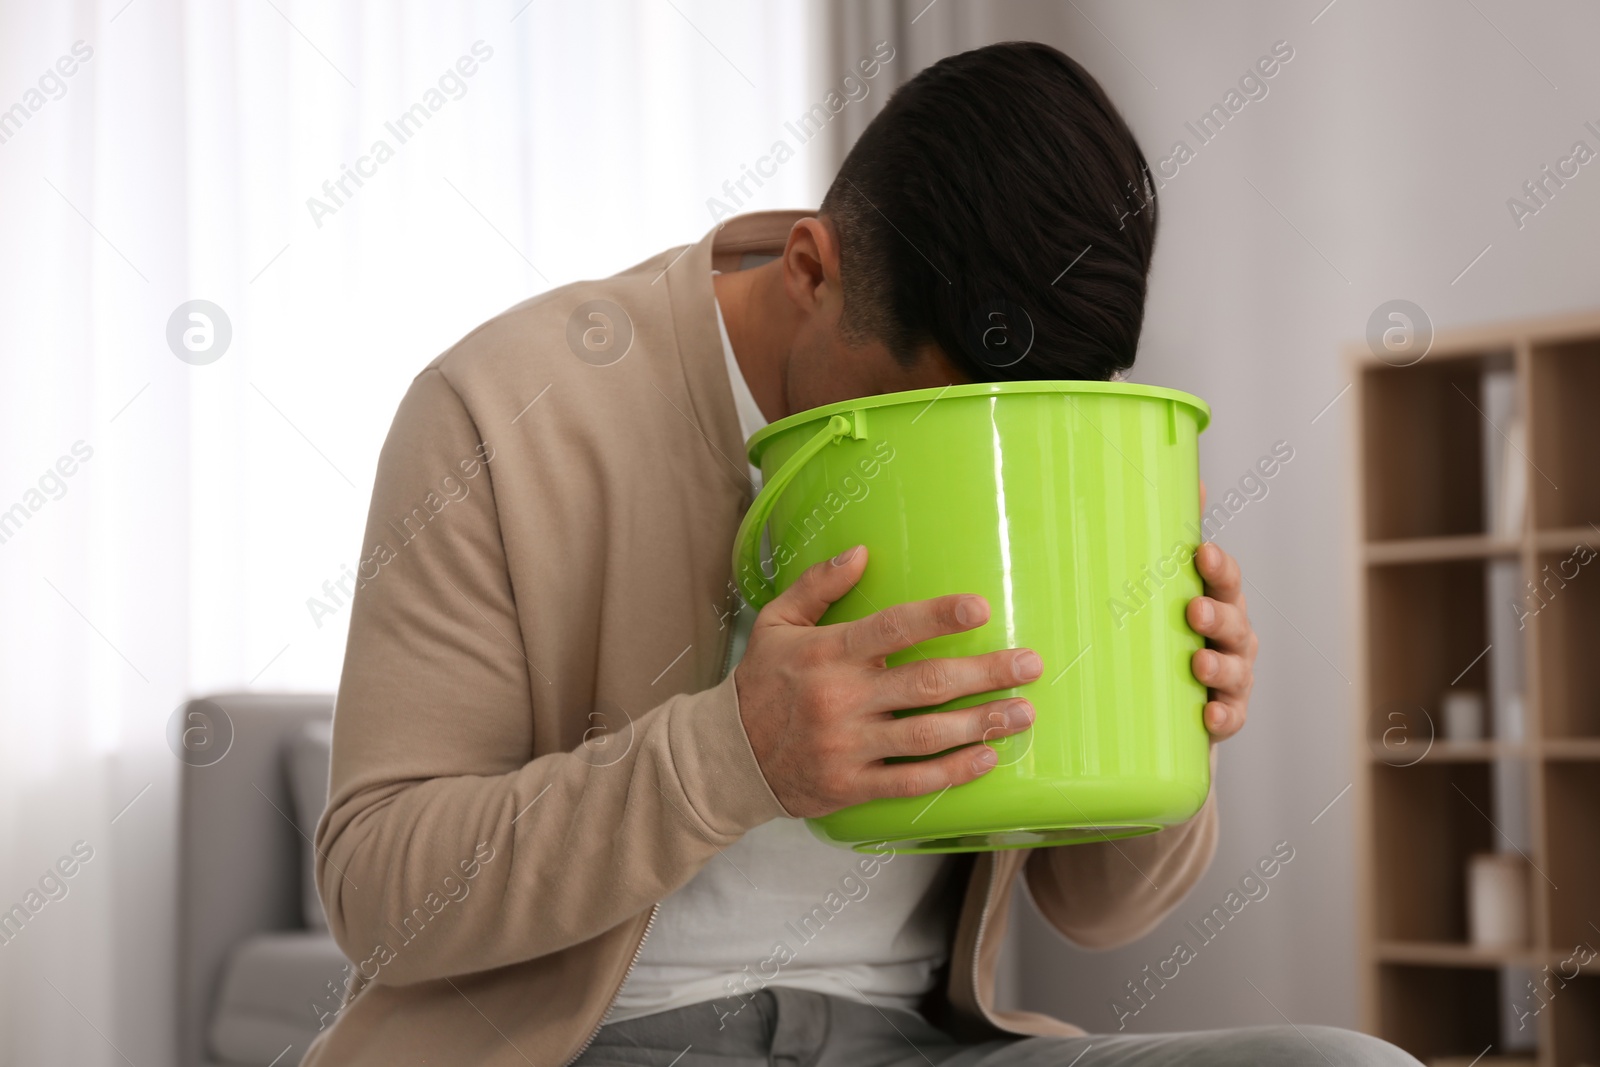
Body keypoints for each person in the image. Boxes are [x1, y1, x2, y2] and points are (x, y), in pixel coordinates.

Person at [305, 40, 1415, 1067]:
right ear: (808, 269)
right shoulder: (502, 409)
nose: (942, 457)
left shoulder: (1041, 435)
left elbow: (1097, 907)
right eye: (905, 411)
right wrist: (731, 755)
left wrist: (1166, 728)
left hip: (916, 1040)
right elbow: (375, 887)